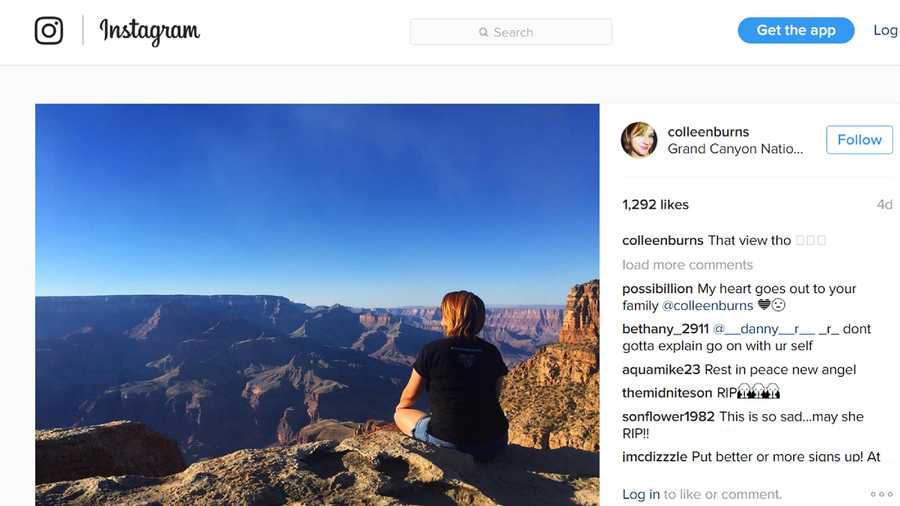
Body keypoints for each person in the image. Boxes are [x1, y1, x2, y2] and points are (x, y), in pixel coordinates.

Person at [393, 290, 509, 462]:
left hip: (450, 443)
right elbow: (495, 395)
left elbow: (409, 397)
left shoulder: (433, 350)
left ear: (449, 317)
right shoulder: (492, 352)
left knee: (400, 413)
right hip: (495, 442)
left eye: (443, 313)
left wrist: (403, 408)